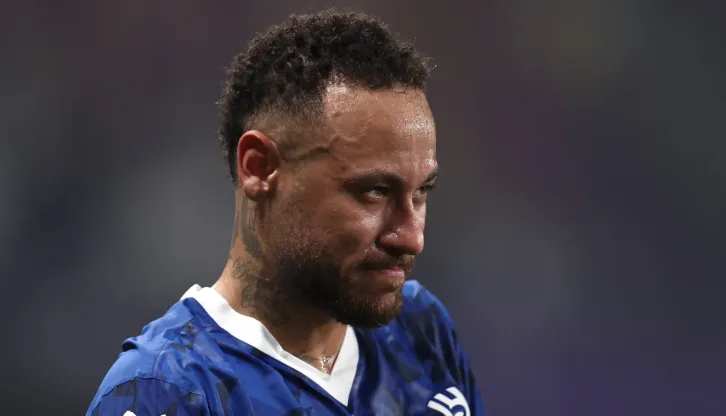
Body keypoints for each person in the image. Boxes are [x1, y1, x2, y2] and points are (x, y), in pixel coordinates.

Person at [87, 9, 485, 416]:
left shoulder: (419, 331)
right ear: (259, 168)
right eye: (375, 192)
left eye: (421, 193)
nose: (411, 236)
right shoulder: (168, 393)